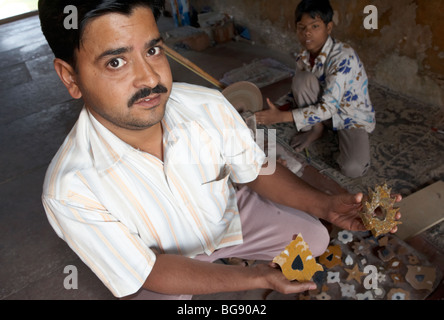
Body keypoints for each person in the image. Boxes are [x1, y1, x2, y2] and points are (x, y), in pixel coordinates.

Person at [39, 0, 400, 300]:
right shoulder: (70, 189)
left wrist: (326, 206)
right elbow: (149, 270)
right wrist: (259, 278)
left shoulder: (206, 106)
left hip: (227, 219)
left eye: (153, 50)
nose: (150, 78)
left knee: (317, 238)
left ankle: (235, 254)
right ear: (70, 77)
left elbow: (256, 169)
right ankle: (229, 268)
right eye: (116, 62)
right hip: (164, 261)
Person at [255, 0, 375, 179]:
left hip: (350, 116)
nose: (307, 33)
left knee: (353, 169)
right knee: (302, 80)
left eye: (315, 26)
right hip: (324, 110)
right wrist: (275, 110)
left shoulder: (343, 57)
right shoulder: (304, 56)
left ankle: (337, 136)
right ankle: (316, 129)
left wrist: (281, 117)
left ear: (329, 27)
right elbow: (298, 91)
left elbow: (329, 108)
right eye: (301, 27)